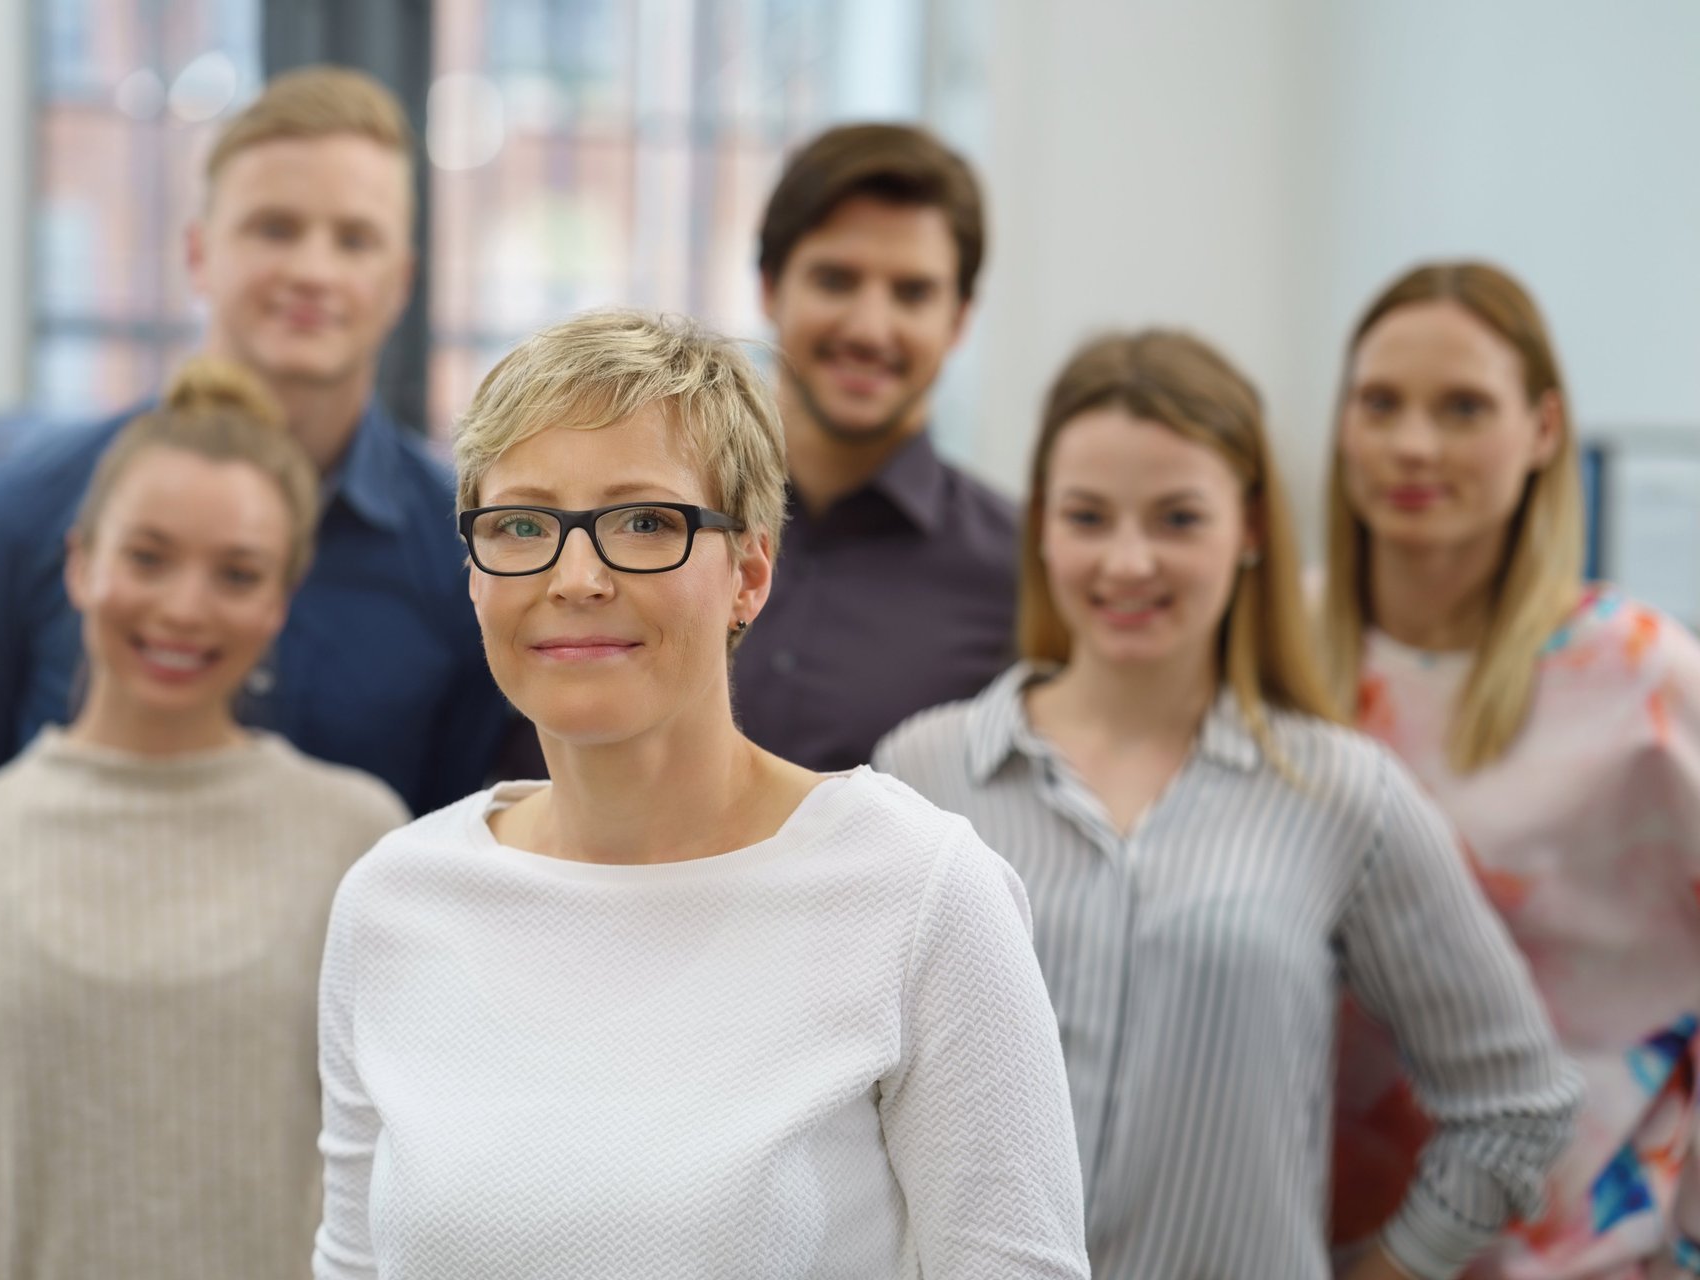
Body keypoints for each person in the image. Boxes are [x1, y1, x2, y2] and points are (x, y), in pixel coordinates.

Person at [312, 309, 1091, 1279]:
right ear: (474, 571)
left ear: (750, 571)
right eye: (522, 523)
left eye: (646, 520)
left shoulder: (919, 891)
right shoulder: (393, 900)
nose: (578, 574)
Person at [874, 329, 1581, 1280]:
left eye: (1177, 519)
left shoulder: (1342, 795)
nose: (1128, 562)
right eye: (1088, 517)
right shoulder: (924, 771)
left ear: (1248, 528)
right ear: (1042, 525)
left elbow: (1517, 1106)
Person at [0, 360, 410, 1280]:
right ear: (81, 564)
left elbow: (400, 1162)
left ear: (278, 602)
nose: (184, 607)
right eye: (147, 558)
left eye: (237, 573)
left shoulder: (358, 836)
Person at [0, 65, 508, 817]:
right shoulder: (15, 521)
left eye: (354, 239)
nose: (313, 270)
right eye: (274, 228)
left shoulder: (470, 557)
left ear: (401, 282)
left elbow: (468, 861)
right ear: (196, 253)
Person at [1324, 261, 1700, 1277]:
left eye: (1462, 407)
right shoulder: (1266, 652)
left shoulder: (1640, 672)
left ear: (1541, 429)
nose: (1413, 443)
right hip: (1306, 1242)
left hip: (1577, 1252)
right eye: (1381, 402)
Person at [731, 122, 1019, 771]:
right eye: (835, 280)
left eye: (912, 293)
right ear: (771, 289)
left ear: (959, 319)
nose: (868, 328)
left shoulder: (1024, 577)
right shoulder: (657, 523)